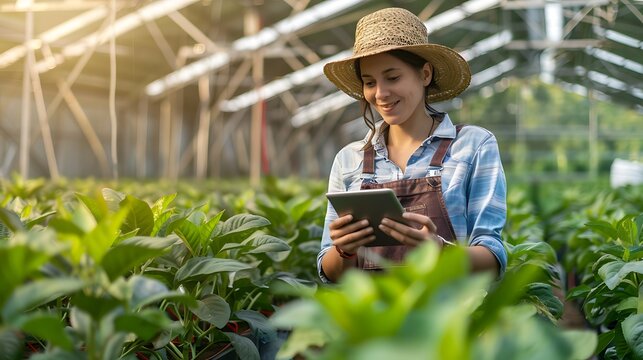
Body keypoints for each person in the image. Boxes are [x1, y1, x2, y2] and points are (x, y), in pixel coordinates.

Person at [317, 7, 507, 283]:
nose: (380, 93)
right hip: (374, 320)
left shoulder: (473, 146)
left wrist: (440, 252)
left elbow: (492, 258)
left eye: (393, 77)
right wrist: (344, 250)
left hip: (450, 320)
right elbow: (330, 270)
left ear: (425, 74)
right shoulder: (350, 160)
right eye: (369, 82)